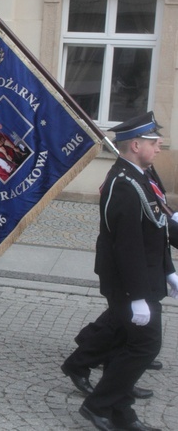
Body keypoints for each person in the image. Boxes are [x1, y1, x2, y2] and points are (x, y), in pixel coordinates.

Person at [68, 112, 178, 431]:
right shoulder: (123, 184)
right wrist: (138, 297)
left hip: (145, 276)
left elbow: (154, 232)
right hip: (129, 284)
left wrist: (168, 271)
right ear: (134, 145)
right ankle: (98, 405)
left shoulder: (141, 176)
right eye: (153, 142)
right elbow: (126, 245)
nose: (158, 147)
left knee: (124, 344)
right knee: (144, 346)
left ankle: (121, 412)